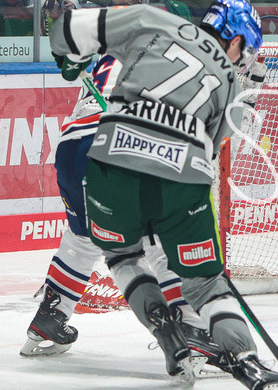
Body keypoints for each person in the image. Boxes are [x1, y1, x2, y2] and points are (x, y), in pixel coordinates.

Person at [48, 0, 278, 390]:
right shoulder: (232, 81)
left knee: (122, 256)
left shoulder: (153, 20)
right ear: (234, 41)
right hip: (182, 177)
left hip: (111, 163)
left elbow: (64, 31)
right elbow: (218, 141)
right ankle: (248, 359)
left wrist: (69, 58)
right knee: (205, 284)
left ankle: (164, 329)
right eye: (246, 50)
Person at [20, 55, 224, 366]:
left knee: (82, 238)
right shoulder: (165, 58)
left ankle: (50, 315)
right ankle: (190, 327)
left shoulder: (107, 58)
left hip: (71, 148)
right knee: (157, 236)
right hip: (116, 144)